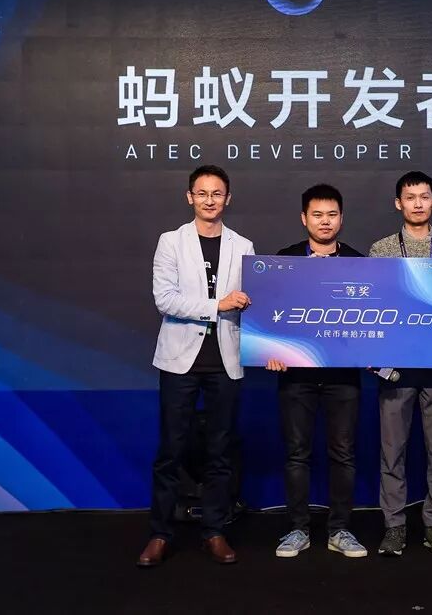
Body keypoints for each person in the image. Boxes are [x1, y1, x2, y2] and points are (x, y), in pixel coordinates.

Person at [138, 165, 253, 568]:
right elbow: (165, 300)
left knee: (220, 451)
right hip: (179, 359)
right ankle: (160, 533)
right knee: (171, 449)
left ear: (227, 199)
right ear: (190, 197)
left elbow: (252, 302)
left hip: (226, 360)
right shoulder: (170, 241)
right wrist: (217, 305)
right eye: (202, 193)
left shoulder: (243, 245)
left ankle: (214, 531)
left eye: (217, 193)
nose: (209, 200)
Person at [266, 184, 368, 559]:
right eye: (317, 215)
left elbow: (371, 319)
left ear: (341, 218)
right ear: (304, 218)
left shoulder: (359, 262)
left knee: (343, 454)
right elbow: (269, 313)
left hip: (343, 376)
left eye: (332, 215)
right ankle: (297, 529)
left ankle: (340, 530)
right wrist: (271, 350)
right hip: (296, 376)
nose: (325, 222)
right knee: (297, 454)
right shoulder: (284, 260)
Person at [369, 171, 432, 556]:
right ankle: (394, 525)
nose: (418, 204)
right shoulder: (381, 249)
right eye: (410, 198)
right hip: (395, 367)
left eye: (424, 197)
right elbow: (376, 304)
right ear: (399, 203)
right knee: (392, 450)